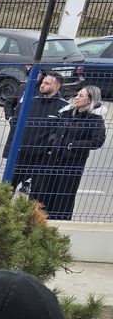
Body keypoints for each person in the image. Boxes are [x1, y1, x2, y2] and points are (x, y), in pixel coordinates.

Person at [34, 84, 107, 220]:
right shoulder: (67, 114)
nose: (76, 98)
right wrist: (52, 143)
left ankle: (60, 223)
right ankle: (43, 220)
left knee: (64, 195)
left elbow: (97, 141)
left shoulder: (94, 120)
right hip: (54, 159)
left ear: (90, 100)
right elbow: (54, 130)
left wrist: (72, 145)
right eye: (77, 94)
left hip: (72, 163)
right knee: (46, 190)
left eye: (81, 96)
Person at [5, 70, 65, 172]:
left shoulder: (63, 107)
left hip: (42, 156)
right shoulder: (29, 102)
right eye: (43, 82)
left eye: (47, 83)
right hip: (21, 153)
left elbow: (60, 132)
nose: (42, 85)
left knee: (37, 186)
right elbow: (16, 122)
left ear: (57, 87)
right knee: (9, 184)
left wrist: (49, 148)